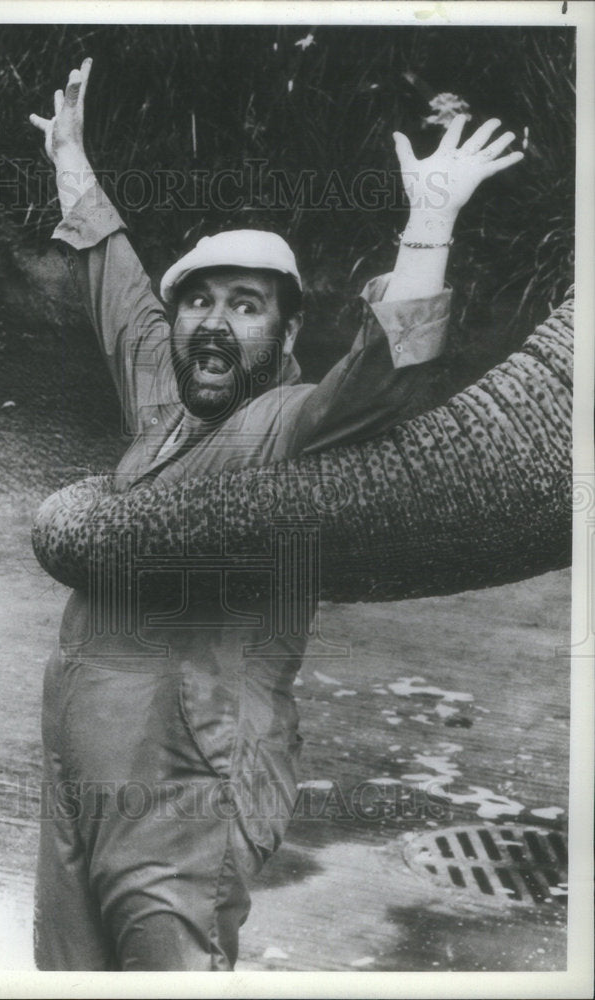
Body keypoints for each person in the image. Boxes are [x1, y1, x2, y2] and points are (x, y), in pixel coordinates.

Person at [29, 58, 523, 971]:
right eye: (200, 302)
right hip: (78, 791)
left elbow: (389, 373)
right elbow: (119, 288)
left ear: (286, 336)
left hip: (187, 799)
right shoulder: (164, 402)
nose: (213, 323)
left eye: (246, 306)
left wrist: (429, 225)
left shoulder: (287, 427)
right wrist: (71, 161)